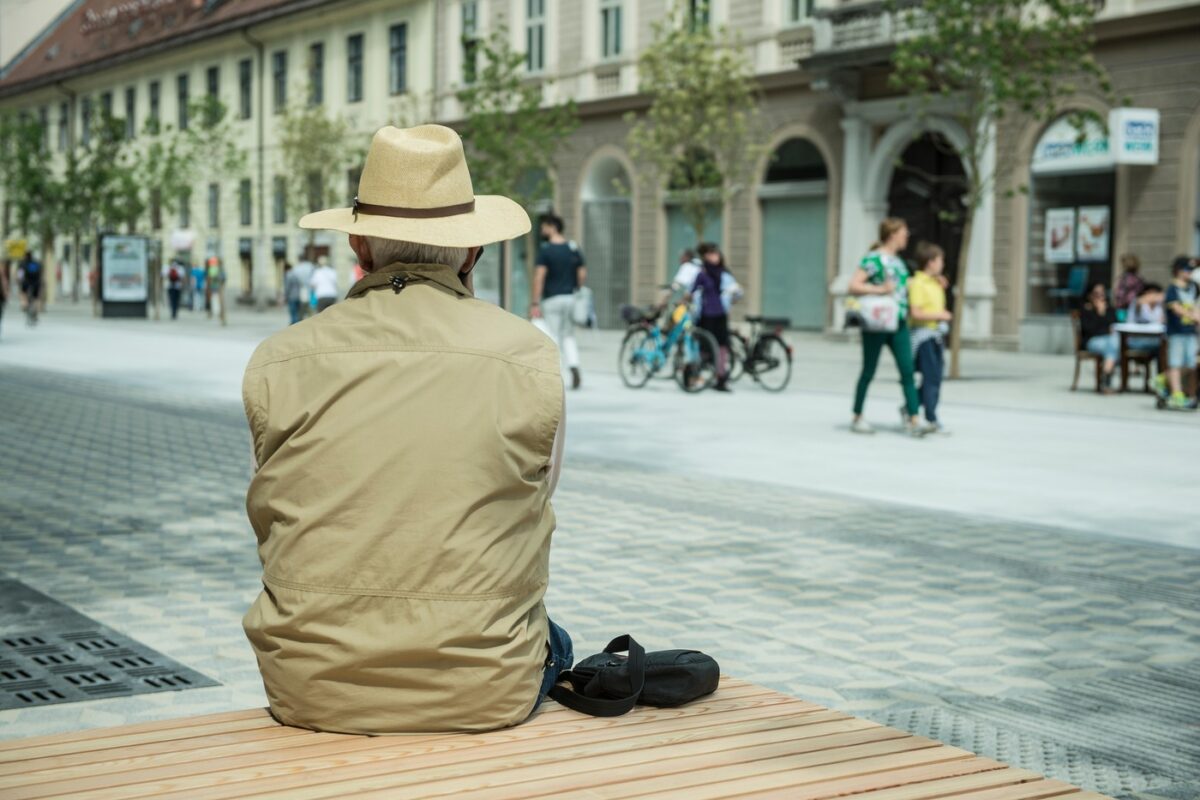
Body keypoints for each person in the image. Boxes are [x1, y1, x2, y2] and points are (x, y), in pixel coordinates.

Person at [240, 124, 571, 734]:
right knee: (556, 637)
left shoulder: (278, 359)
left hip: (310, 688)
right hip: (486, 690)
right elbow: (535, 494)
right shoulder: (530, 357)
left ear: (358, 247)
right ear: (472, 252)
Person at [848, 218, 922, 436]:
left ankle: (914, 418)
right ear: (892, 235)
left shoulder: (898, 261)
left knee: (907, 370)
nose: (906, 236)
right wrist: (880, 289)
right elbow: (853, 285)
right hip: (877, 322)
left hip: (898, 321)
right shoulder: (873, 259)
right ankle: (857, 415)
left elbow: (902, 287)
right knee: (869, 369)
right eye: (903, 232)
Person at [531, 213, 586, 390]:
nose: (542, 229)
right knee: (568, 335)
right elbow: (582, 273)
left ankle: (556, 375)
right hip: (570, 298)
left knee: (553, 337)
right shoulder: (572, 248)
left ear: (552, 227)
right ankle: (574, 365)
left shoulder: (546, 251)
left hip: (552, 299)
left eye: (544, 226)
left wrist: (535, 302)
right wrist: (575, 287)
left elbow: (539, 277)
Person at [908, 242, 953, 434]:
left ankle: (911, 405)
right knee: (931, 378)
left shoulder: (936, 283)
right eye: (940, 260)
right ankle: (931, 418)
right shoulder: (917, 283)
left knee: (935, 377)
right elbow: (916, 313)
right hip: (923, 337)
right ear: (930, 262)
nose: (942, 264)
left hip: (936, 336)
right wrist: (940, 315)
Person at [690, 243, 736, 392]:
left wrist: (732, 298)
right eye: (710, 254)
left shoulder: (724, 273)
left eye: (716, 254)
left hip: (721, 315)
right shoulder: (702, 273)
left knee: (722, 346)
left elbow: (735, 291)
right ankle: (701, 375)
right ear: (705, 257)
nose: (714, 257)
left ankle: (721, 377)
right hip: (706, 315)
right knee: (706, 346)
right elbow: (692, 290)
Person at [1156, 257, 1198, 410]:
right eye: (1187, 270)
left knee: (1192, 365)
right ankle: (1177, 395)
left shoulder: (1193, 287)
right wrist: (1193, 316)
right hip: (1176, 332)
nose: (1190, 273)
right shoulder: (1173, 289)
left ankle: (1190, 395)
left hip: (1191, 332)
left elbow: (1196, 305)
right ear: (1179, 271)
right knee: (1175, 363)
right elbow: (1176, 308)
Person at [1079, 282, 1119, 393]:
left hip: (1109, 341)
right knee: (1114, 345)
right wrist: (1100, 313)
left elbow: (1115, 326)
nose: (1100, 297)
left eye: (1102, 294)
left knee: (1114, 342)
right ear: (1089, 295)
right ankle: (1106, 377)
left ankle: (1105, 373)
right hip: (1092, 341)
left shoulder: (1109, 309)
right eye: (1096, 294)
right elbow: (1090, 330)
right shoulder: (1086, 309)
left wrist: (1103, 313)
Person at [19, 252, 43, 326]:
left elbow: (20, 274)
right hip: (36, 283)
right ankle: (36, 311)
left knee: (23, 294)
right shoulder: (37, 263)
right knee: (36, 298)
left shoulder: (22, 263)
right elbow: (40, 273)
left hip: (26, 282)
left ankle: (24, 305)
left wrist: (19, 280)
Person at [292, 249, 315, 321]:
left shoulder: (296, 268)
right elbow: (314, 276)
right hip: (310, 290)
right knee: (310, 309)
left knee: (301, 310)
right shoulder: (310, 266)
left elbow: (295, 280)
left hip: (301, 290)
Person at [206, 257, 227, 326]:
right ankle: (221, 317)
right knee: (220, 304)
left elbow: (209, 279)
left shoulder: (213, 269)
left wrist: (209, 287)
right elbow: (224, 279)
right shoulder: (220, 269)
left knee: (219, 304)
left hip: (216, 288)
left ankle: (221, 317)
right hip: (218, 288)